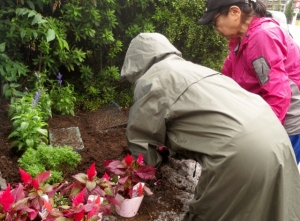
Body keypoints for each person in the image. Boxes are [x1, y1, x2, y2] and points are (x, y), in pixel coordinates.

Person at [120, 32, 300, 221]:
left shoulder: (151, 80)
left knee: (211, 214)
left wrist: (140, 172)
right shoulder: (190, 68)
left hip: (239, 151)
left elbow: (141, 138)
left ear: (136, 62)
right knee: (272, 210)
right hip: (274, 133)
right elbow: (202, 121)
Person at [198, 0, 300, 164]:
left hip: (287, 121)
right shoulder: (240, 39)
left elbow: (278, 95)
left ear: (235, 12)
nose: (215, 28)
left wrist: (264, 139)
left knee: (273, 179)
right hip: (266, 112)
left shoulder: (262, 37)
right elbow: (226, 81)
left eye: (215, 21)